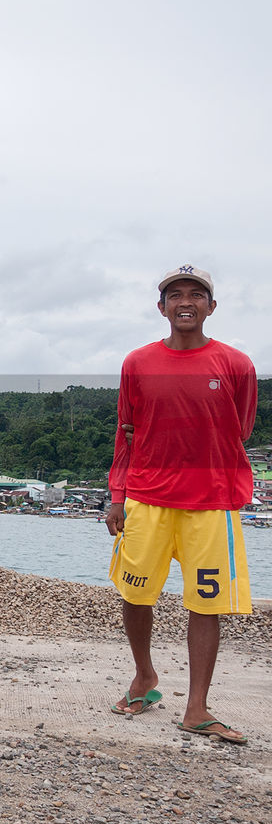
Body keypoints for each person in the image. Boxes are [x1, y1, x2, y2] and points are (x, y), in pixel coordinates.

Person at [105, 265, 254, 745]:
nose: (184, 301)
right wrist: (117, 495)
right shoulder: (137, 363)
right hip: (147, 498)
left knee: (205, 603)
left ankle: (197, 708)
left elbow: (241, 429)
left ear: (211, 306)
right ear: (161, 306)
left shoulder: (236, 365)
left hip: (212, 502)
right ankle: (145, 677)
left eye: (195, 294)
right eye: (174, 294)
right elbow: (125, 432)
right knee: (135, 593)